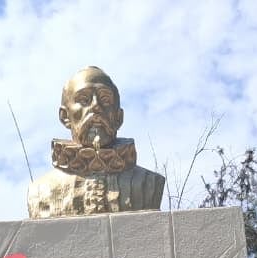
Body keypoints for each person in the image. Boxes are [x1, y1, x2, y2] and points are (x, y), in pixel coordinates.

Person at [26, 66, 165, 219]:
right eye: (84, 100)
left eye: (105, 100)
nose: (96, 106)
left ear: (118, 118)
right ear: (65, 116)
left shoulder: (148, 183)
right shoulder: (40, 189)